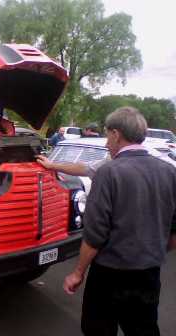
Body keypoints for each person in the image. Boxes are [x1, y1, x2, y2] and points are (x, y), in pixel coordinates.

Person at [61, 107, 176, 336]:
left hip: (110, 275)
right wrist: (155, 251)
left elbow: (95, 235)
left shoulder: (109, 172)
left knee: (98, 328)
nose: (106, 144)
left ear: (116, 134)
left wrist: (78, 273)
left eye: (107, 136)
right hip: (149, 273)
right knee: (143, 329)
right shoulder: (169, 171)